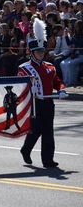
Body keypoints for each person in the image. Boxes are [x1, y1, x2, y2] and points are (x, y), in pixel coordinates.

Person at [18, 19, 66, 168]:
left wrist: (61, 89)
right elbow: (20, 86)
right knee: (35, 130)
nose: (40, 54)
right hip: (34, 102)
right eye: (38, 51)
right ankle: (26, 149)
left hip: (48, 101)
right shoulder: (24, 68)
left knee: (48, 132)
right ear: (32, 53)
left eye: (42, 51)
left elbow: (56, 81)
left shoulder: (50, 67)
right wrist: (28, 89)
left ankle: (48, 160)